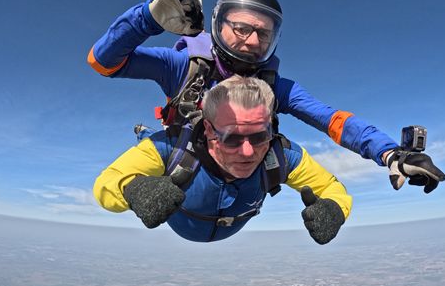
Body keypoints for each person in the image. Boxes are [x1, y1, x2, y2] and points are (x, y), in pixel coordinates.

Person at [88, 0, 445, 193]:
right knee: (162, 144)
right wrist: (146, 18)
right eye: (241, 28)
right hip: (187, 171)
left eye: (263, 33)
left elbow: (332, 120)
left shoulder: (274, 87)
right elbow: (103, 61)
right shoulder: (183, 65)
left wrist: (390, 153)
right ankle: (145, 134)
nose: (252, 40)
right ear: (218, 26)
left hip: (237, 182)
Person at [94, 76, 352, 244]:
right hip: (179, 162)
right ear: (208, 130)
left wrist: (335, 209)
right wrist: (134, 189)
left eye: (260, 136)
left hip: (196, 223)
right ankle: (143, 131)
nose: (248, 152)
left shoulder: (280, 155)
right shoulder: (170, 148)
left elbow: (331, 187)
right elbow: (106, 183)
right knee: (152, 142)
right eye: (232, 138)